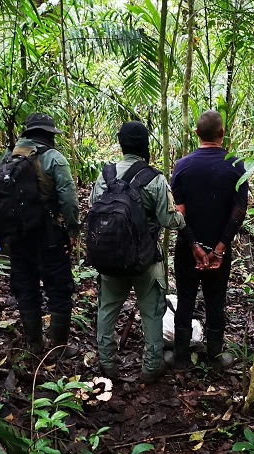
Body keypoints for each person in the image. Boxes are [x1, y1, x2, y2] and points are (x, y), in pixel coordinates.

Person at [90, 121, 186, 383]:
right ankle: (151, 367)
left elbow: (93, 209)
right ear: (145, 145)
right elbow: (169, 221)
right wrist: (182, 217)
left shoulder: (104, 175)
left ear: (121, 144)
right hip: (145, 261)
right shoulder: (154, 178)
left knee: (107, 309)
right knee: (152, 313)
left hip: (110, 258)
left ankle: (107, 364)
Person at [168, 110, 248, 371]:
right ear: (222, 134)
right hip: (219, 252)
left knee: (186, 297)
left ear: (196, 134)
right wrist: (220, 249)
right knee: (216, 300)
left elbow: (180, 212)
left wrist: (194, 246)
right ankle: (214, 356)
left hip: (187, 249)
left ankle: (181, 358)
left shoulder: (182, 166)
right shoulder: (236, 166)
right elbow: (239, 211)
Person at [1, 113, 81, 359]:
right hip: (49, 234)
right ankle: (58, 348)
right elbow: (68, 198)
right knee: (59, 287)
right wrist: (72, 230)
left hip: (17, 235)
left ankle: (34, 344)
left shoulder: (8, 157)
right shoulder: (54, 159)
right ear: (48, 135)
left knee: (25, 287)